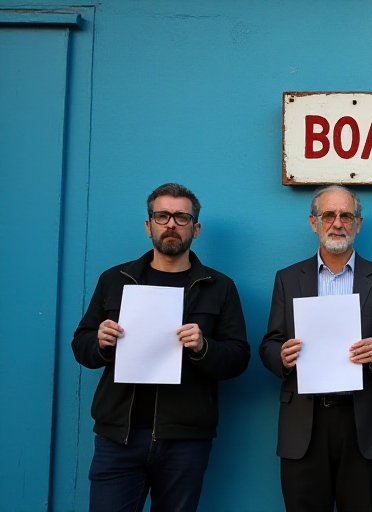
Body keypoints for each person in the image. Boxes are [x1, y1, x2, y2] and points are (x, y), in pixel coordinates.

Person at [71, 183, 249, 512]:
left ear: (195, 229)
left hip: (185, 438)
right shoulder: (115, 280)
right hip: (118, 437)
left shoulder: (219, 287)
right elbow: (81, 345)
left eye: (182, 217)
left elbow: (238, 358)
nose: (171, 224)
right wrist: (100, 342)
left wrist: (203, 347)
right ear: (148, 225)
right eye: (162, 215)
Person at [259, 185, 372, 512]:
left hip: (365, 424)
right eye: (328, 215)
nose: (337, 223)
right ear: (314, 223)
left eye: (346, 216)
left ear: (359, 223)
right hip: (305, 423)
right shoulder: (288, 279)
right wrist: (282, 357)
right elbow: (269, 344)